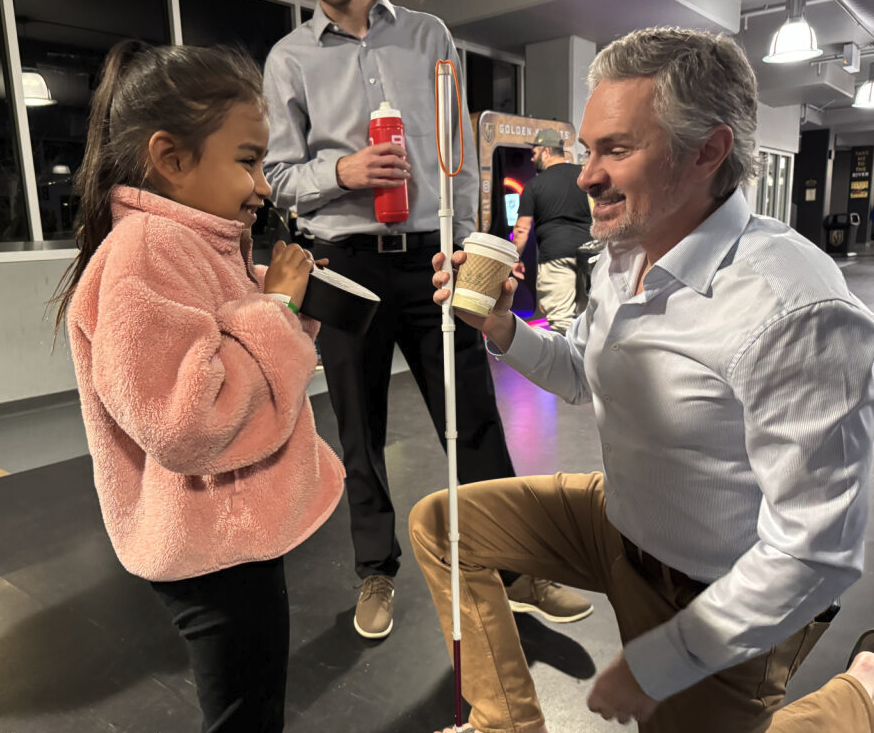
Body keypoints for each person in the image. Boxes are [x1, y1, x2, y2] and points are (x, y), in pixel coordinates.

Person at [411, 26, 874, 733]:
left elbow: (817, 552)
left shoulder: (796, 311)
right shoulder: (624, 252)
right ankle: (505, 723)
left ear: (708, 151)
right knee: (444, 526)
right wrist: (503, 328)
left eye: (617, 149)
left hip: (716, 591)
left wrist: (663, 659)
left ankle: (862, 689)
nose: (585, 175)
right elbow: (581, 373)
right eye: (586, 149)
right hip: (620, 522)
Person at [262, 0, 592, 640]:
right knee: (359, 424)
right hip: (344, 259)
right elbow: (276, 174)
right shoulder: (289, 58)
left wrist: (467, 245)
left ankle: (515, 566)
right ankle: (375, 569)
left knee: (472, 412)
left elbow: (457, 153)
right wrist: (342, 170)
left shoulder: (428, 34)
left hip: (433, 255)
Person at [53, 41, 345, 732]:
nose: (264, 185)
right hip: (212, 553)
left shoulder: (191, 242)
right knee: (246, 717)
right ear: (172, 158)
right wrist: (277, 307)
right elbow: (187, 423)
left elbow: (225, 346)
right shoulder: (148, 249)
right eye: (248, 160)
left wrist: (286, 307)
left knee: (253, 705)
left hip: (227, 541)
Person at [512, 128, 593, 335]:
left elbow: (521, 229)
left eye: (534, 153)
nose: (532, 158)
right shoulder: (584, 176)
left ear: (546, 151)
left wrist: (514, 259)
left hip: (555, 258)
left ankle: (569, 357)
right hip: (588, 256)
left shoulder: (534, 186)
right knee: (587, 320)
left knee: (562, 324)